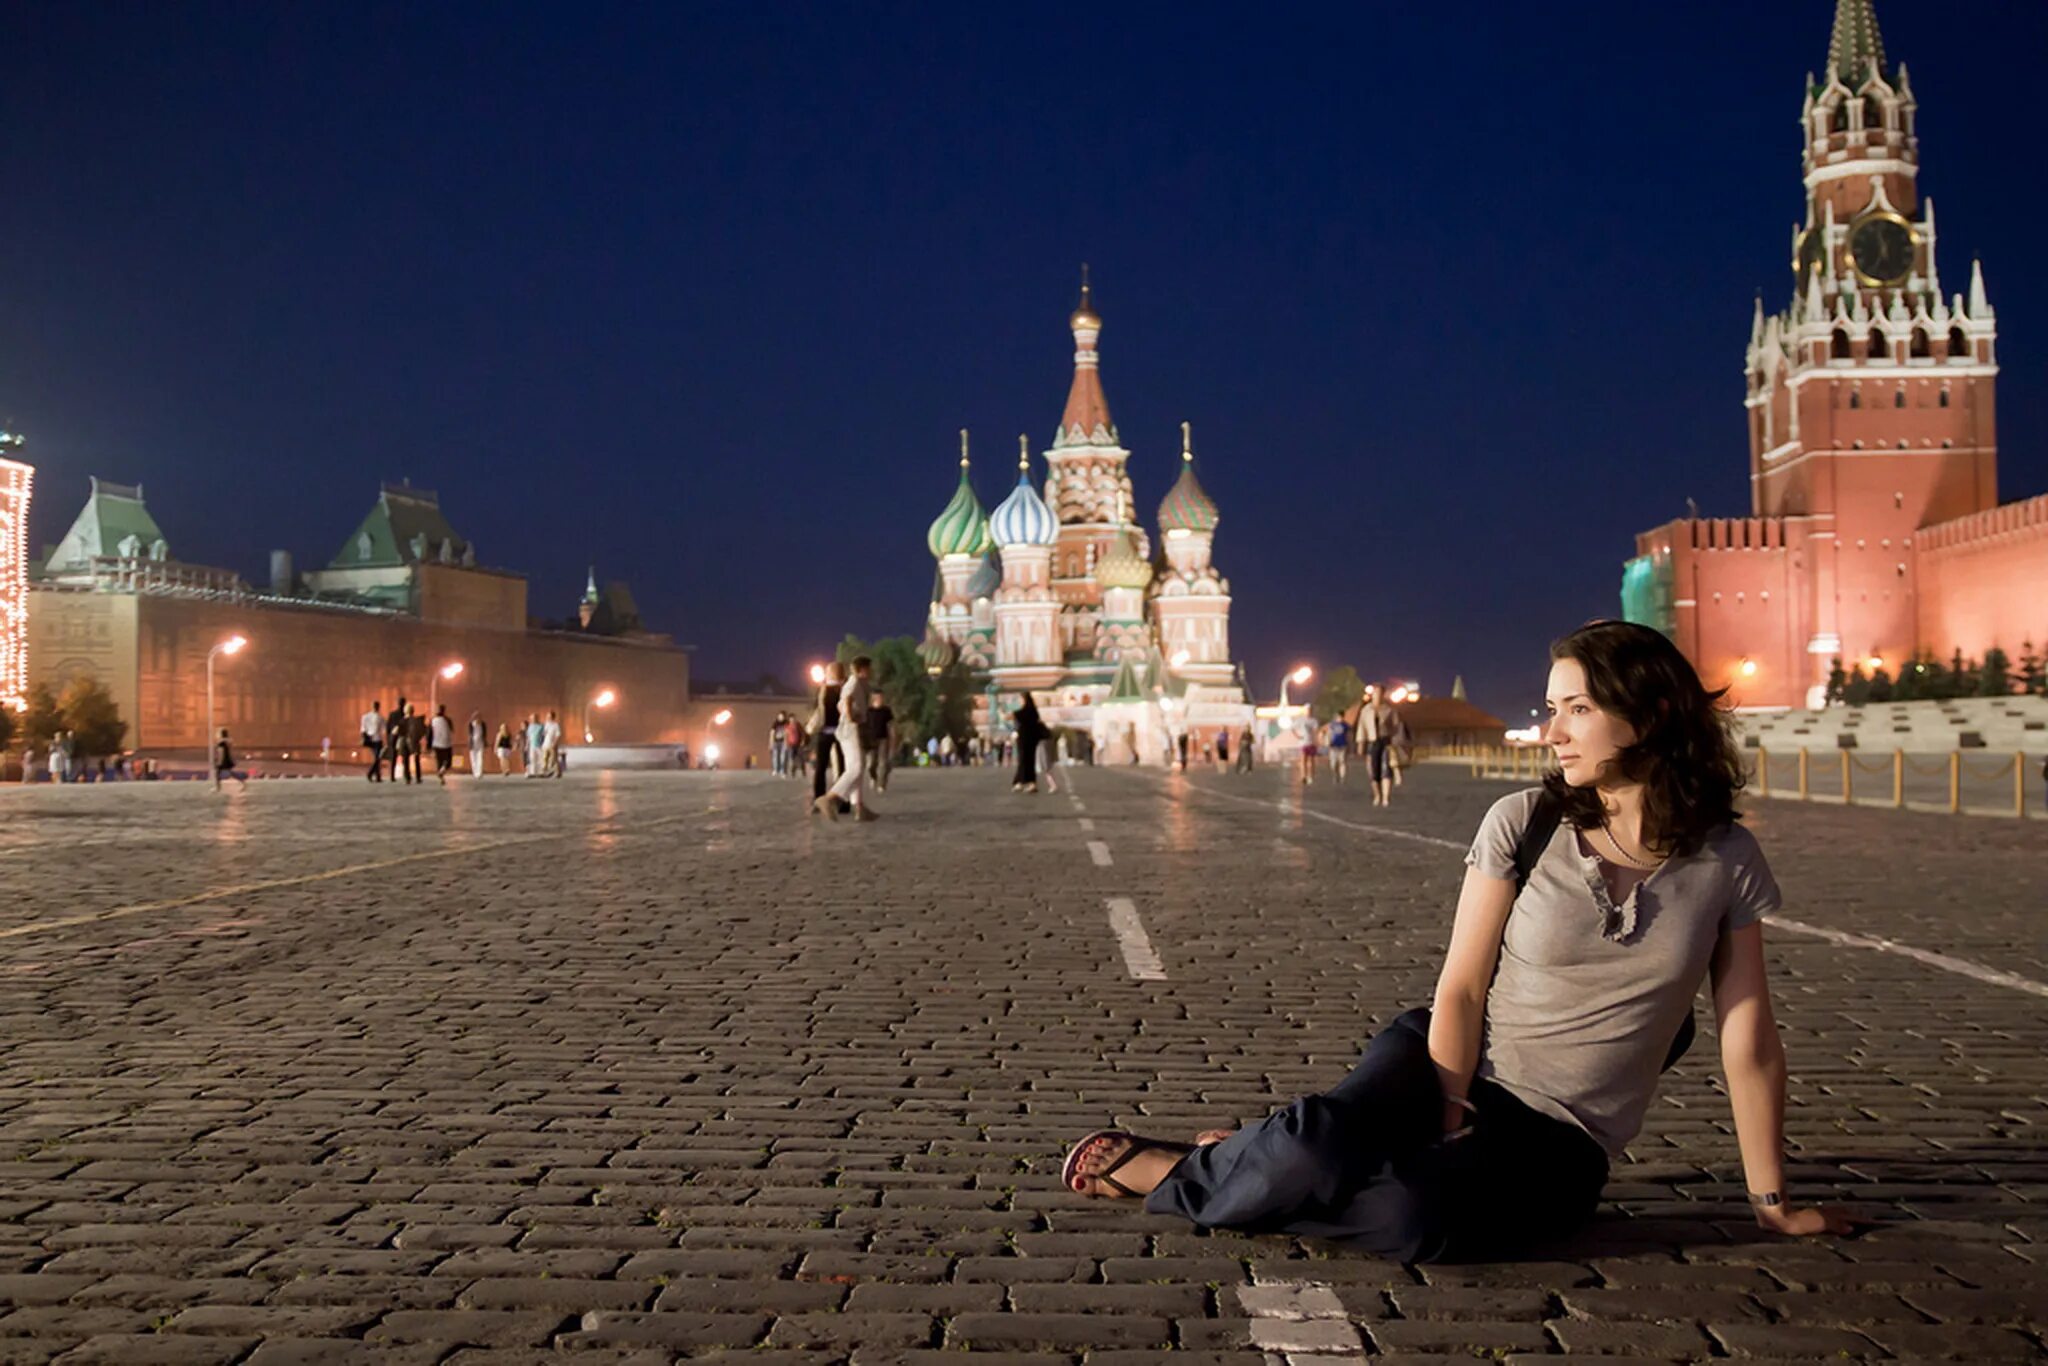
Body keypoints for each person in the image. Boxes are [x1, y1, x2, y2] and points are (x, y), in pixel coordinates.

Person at [1061, 620, 1860, 1263]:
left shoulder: (1725, 859)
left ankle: (1249, 1165)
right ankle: (1187, 1168)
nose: (1552, 731)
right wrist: (1448, 1108)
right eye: (1551, 708)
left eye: (1576, 709)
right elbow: (1461, 989)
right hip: (1447, 1057)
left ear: (1647, 715)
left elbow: (1747, 1038)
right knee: (1320, 1143)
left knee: (1418, 1221)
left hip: (1564, 1140)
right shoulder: (1525, 821)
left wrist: (1772, 1203)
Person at [817, 656, 878, 821]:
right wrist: (851, 716)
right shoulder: (854, 682)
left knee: (857, 767)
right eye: (869, 668)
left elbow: (840, 705)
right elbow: (846, 700)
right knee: (856, 767)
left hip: (850, 729)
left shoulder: (859, 684)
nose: (871, 672)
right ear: (863, 669)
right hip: (850, 731)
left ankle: (859, 807)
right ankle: (829, 798)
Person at [809, 662, 847, 813]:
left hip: (825, 732)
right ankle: (842, 802)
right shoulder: (844, 690)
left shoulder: (822, 690)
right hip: (840, 732)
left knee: (821, 768)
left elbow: (816, 709)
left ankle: (820, 800)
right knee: (842, 769)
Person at [1360, 686, 1397, 807]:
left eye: (1380, 693)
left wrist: (1393, 739)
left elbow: (1396, 726)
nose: (1378, 696)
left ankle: (1386, 797)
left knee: (1386, 769)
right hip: (1372, 742)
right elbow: (1362, 727)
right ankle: (1377, 795)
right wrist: (1361, 743)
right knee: (1373, 771)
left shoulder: (1389, 710)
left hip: (1385, 741)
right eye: (1376, 693)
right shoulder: (1366, 710)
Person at [1011, 692, 1048, 792]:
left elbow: (1011, 716)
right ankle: (1026, 782)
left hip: (1023, 739)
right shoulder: (1033, 711)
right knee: (1030, 760)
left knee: (1023, 760)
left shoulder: (1022, 712)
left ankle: (1024, 782)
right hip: (1033, 739)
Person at [866, 691, 896, 792]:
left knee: (883, 762)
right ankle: (873, 777)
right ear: (873, 698)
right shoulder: (868, 711)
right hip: (871, 740)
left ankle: (881, 784)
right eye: (877, 697)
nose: (880, 699)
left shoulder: (886, 711)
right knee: (871, 764)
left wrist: (893, 737)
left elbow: (890, 725)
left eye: (881, 697)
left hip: (883, 739)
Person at [429, 705, 456, 785]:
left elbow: (429, 733)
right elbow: (452, 730)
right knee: (448, 762)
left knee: (439, 762)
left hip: (436, 744)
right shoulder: (448, 720)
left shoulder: (433, 720)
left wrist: (429, 745)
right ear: (444, 711)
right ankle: (442, 771)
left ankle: (441, 778)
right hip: (446, 744)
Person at [361, 700, 386, 782]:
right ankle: (370, 773)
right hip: (377, 739)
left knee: (377, 757)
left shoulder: (365, 717)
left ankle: (378, 776)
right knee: (377, 758)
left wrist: (364, 737)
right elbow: (384, 730)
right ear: (378, 707)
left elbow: (363, 729)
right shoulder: (380, 718)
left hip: (370, 739)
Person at [1327, 714, 1351, 786]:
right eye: (1339, 717)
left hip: (1343, 746)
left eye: (1342, 717)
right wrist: (1328, 742)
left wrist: (1349, 744)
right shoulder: (1332, 725)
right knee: (1333, 763)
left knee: (1342, 761)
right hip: (1334, 746)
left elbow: (1349, 735)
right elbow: (1329, 733)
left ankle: (1342, 777)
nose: (1341, 718)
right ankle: (1335, 774)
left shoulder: (1346, 725)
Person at [542, 710, 564, 777]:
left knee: (554, 759)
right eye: (547, 716)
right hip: (546, 744)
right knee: (545, 759)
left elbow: (558, 735)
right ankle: (547, 772)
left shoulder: (555, 725)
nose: (548, 718)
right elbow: (544, 733)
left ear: (553, 717)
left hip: (552, 744)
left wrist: (555, 743)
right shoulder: (546, 724)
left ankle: (558, 772)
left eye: (549, 716)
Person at [466, 711, 487, 779]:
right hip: (473, 743)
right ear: (474, 718)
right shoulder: (471, 724)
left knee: (480, 758)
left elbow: (484, 734)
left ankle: (479, 773)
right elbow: (469, 734)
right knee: (473, 759)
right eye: (477, 717)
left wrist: (485, 741)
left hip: (480, 743)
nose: (479, 718)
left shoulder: (483, 724)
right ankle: (475, 773)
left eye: (480, 717)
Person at [770, 712, 790, 778]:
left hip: (783, 742)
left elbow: (787, 733)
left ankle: (782, 771)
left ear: (784, 717)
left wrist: (786, 742)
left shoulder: (786, 723)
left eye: (782, 716)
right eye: (779, 716)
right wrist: (771, 743)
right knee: (775, 757)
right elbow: (772, 733)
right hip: (776, 742)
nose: (780, 717)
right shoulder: (775, 723)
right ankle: (775, 770)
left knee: (783, 757)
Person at [1298, 721, 1318, 785]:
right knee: (1303, 760)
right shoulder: (1300, 719)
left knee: (1311, 761)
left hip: (1311, 743)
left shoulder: (1314, 721)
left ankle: (1310, 777)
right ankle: (1304, 776)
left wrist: (1316, 742)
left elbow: (1316, 733)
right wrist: (1298, 736)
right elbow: (1292, 728)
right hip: (1303, 744)